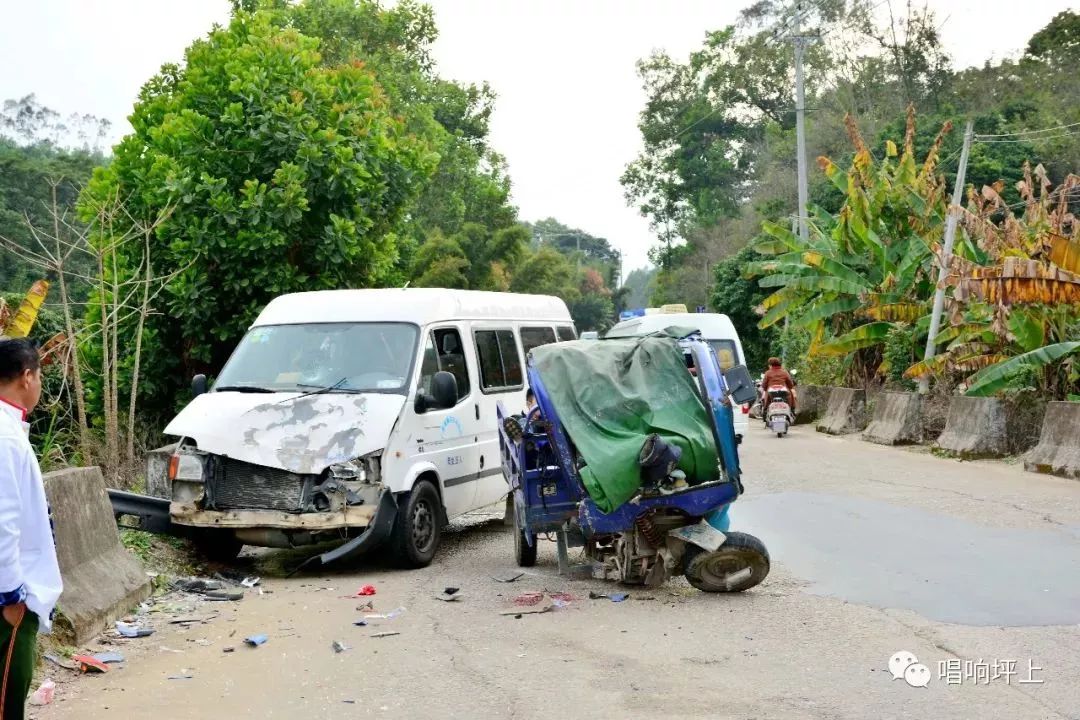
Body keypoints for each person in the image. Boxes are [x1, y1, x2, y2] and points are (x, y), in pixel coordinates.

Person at [0, 338, 62, 720]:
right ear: (26, 377)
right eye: (39, 376)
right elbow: (3, 521)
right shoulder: (6, 439)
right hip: (9, 600)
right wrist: (11, 597)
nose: (39, 385)